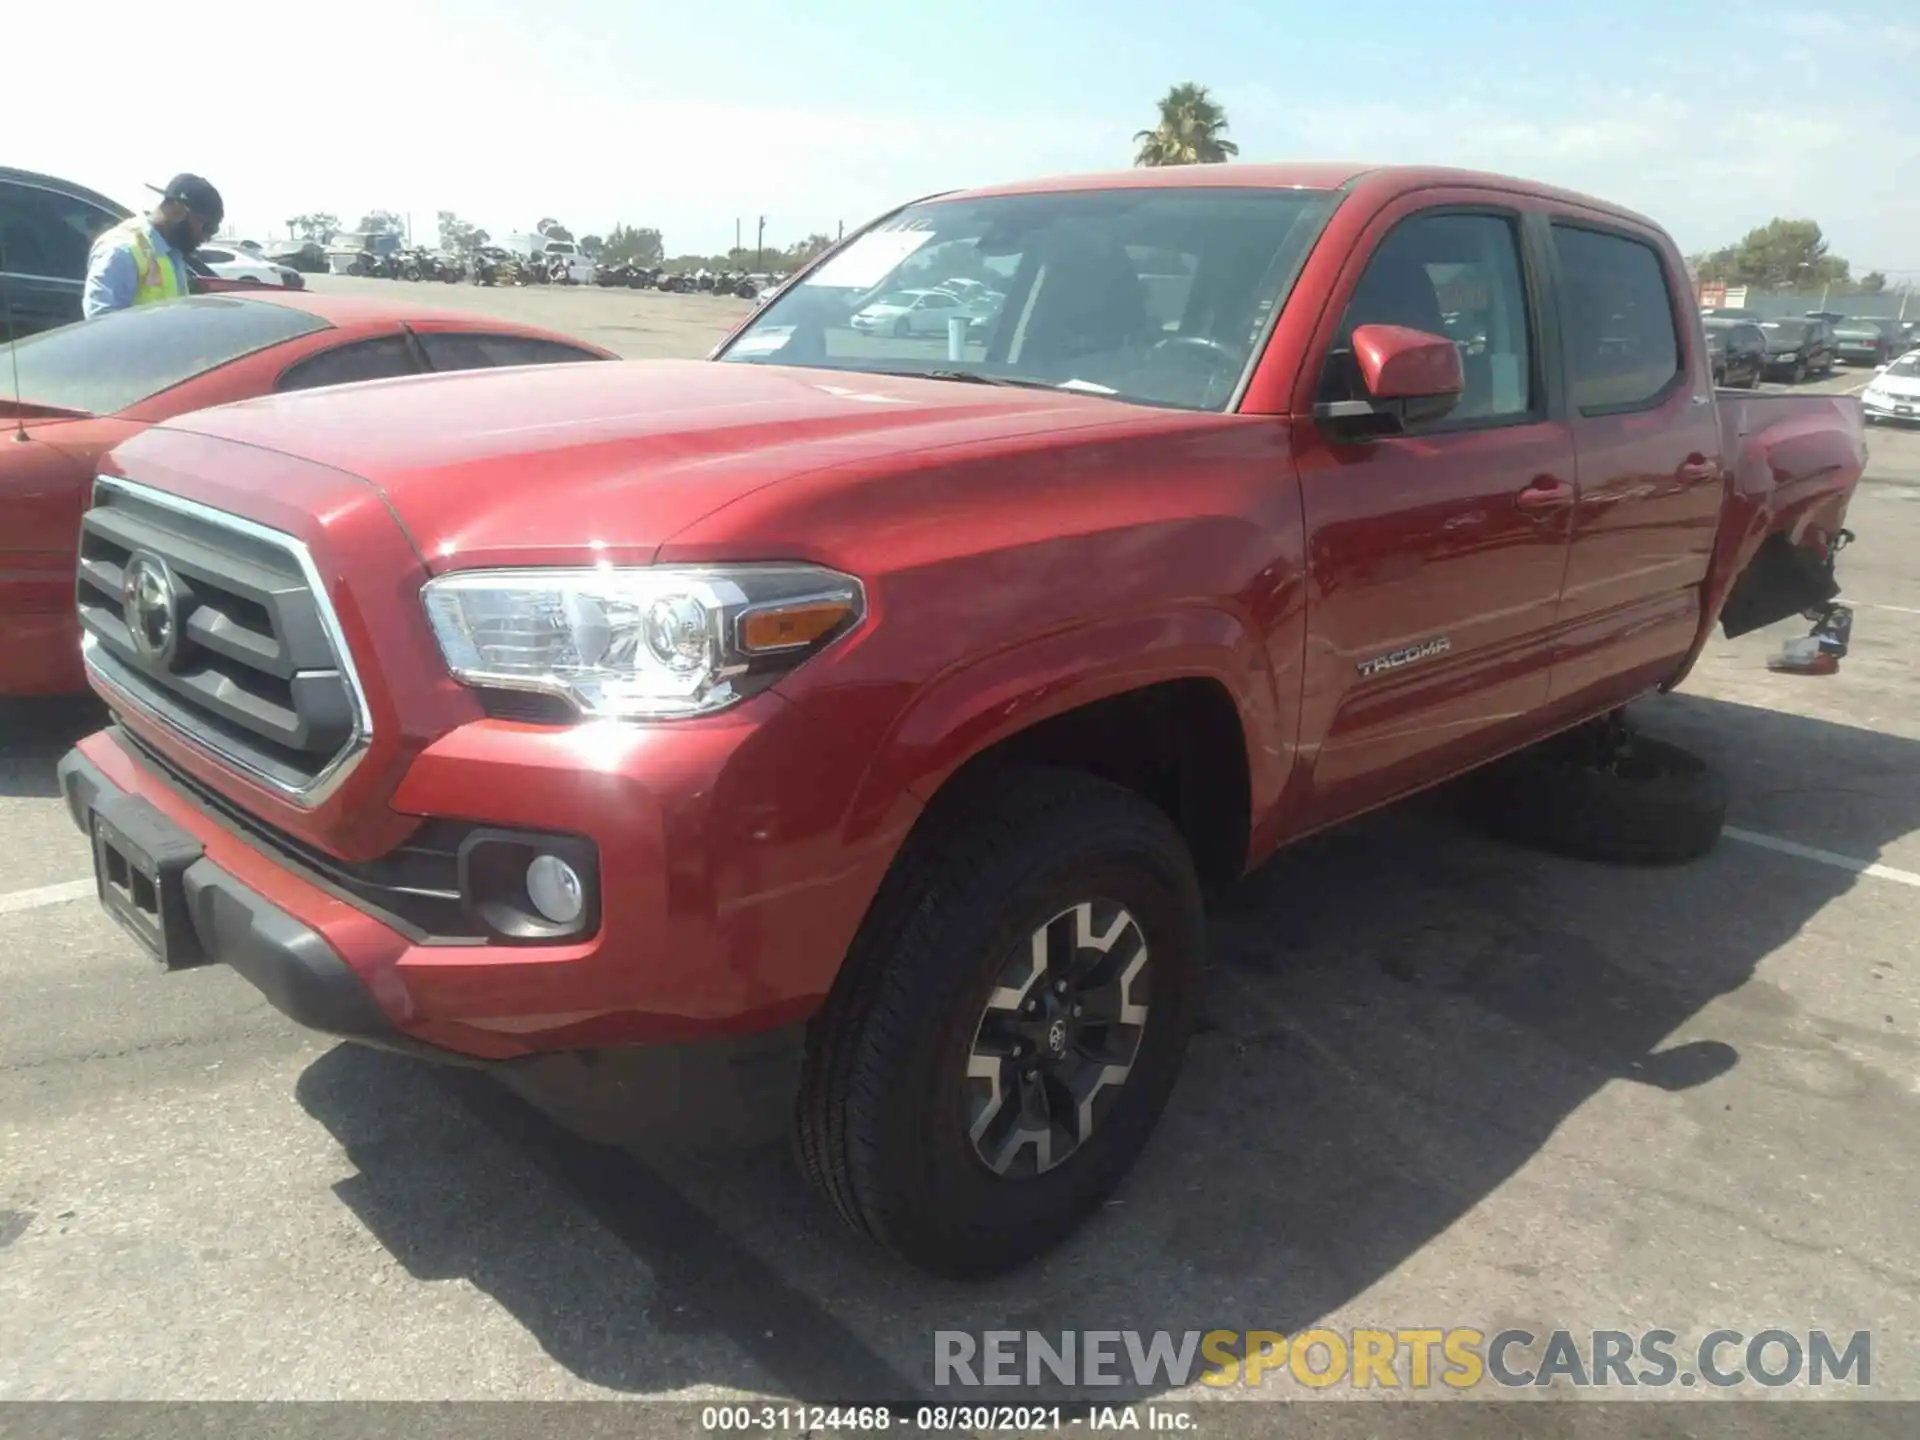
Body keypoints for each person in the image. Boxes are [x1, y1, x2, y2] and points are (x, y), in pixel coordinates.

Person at [82, 174, 224, 318]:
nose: (207, 236)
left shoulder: (172, 254)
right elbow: (101, 324)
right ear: (177, 210)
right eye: (206, 226)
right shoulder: (121, 251)